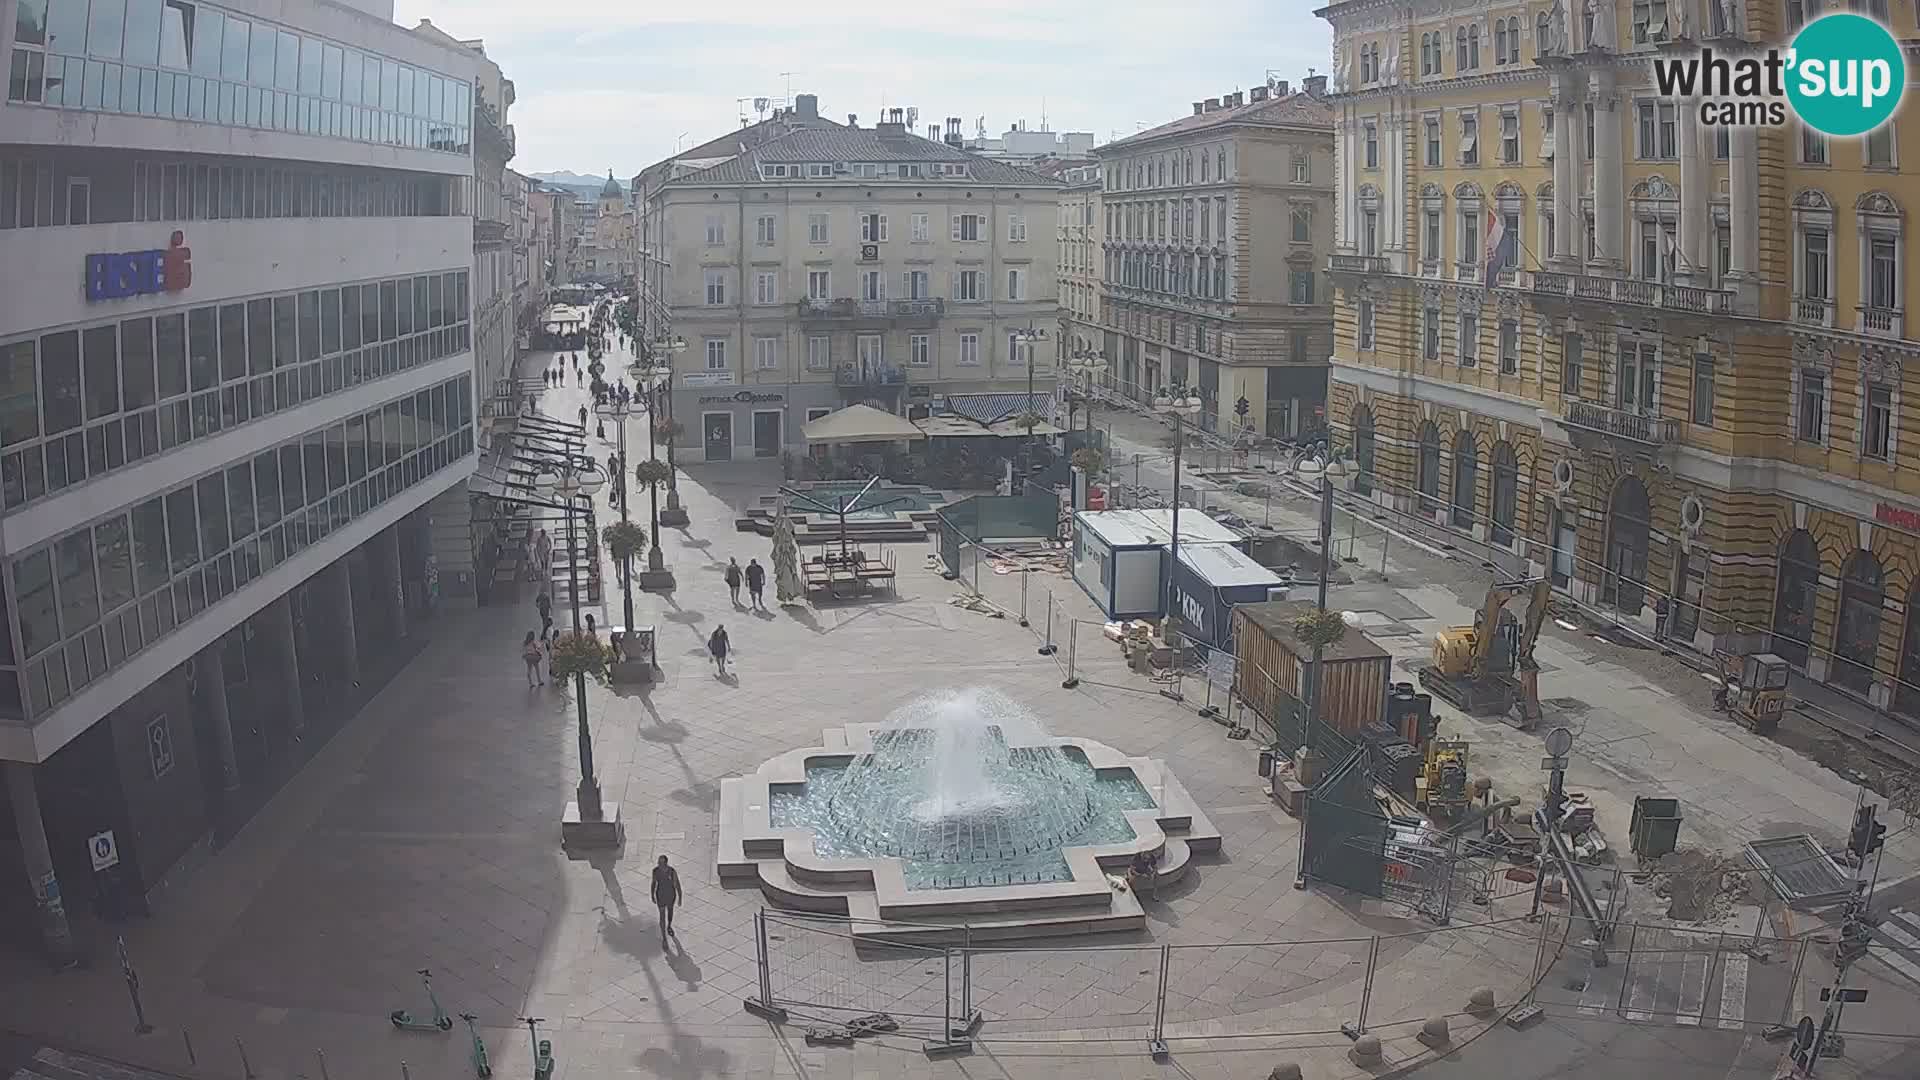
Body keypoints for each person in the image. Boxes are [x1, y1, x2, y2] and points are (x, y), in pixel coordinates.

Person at [651, 855, 682, 945]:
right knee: (662, 916)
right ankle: (664, 938)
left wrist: (680, 897)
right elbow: (653, 883)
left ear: (665, 863)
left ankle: (669, 925)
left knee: (670, 912)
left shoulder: (672, 872)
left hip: (670, 895)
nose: (659, 864)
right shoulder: (655, 871)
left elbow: (677, 885)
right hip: (660, 895)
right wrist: (652, 894)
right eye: (658, 862)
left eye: (661, 863)